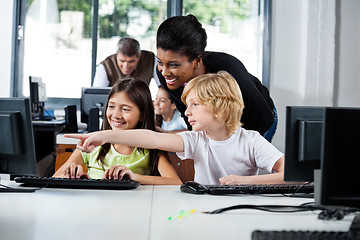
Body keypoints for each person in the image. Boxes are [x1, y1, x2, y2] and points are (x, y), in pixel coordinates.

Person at [65, 71, 284, 186]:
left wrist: (244, 182)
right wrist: (103, 136)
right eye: (187, 106)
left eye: (195, 105)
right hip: (201, 213)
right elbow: (151, 139)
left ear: (220, 106)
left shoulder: (252, 140)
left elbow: (294, 175)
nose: (187, 113)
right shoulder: (196, 139)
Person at [156, 14, 277, 142]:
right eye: (160, 62)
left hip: (256, 119)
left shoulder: (231, 72)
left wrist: (233, 147)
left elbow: (264, 119)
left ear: (197, 61)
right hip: (218, 123)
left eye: (173, 65)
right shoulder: (169, 77)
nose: (164, 72)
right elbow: (189, 116)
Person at [54, 79, 181, 185]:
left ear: (142, 115)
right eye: (111, 106)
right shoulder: (91, 145)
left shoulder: (150, 149)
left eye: (125, 109)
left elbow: (176, 182)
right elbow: (53, 179)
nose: (116, 115)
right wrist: (72, 176)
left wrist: (134, 177)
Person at [93, 37, 158, 87]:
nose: (126, 66)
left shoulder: (151, 60)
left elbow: (163, 87)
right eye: (122, 61)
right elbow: (96, 94)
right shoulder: (104, 67)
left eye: (131, 61)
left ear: (139, 57)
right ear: (117, 55)